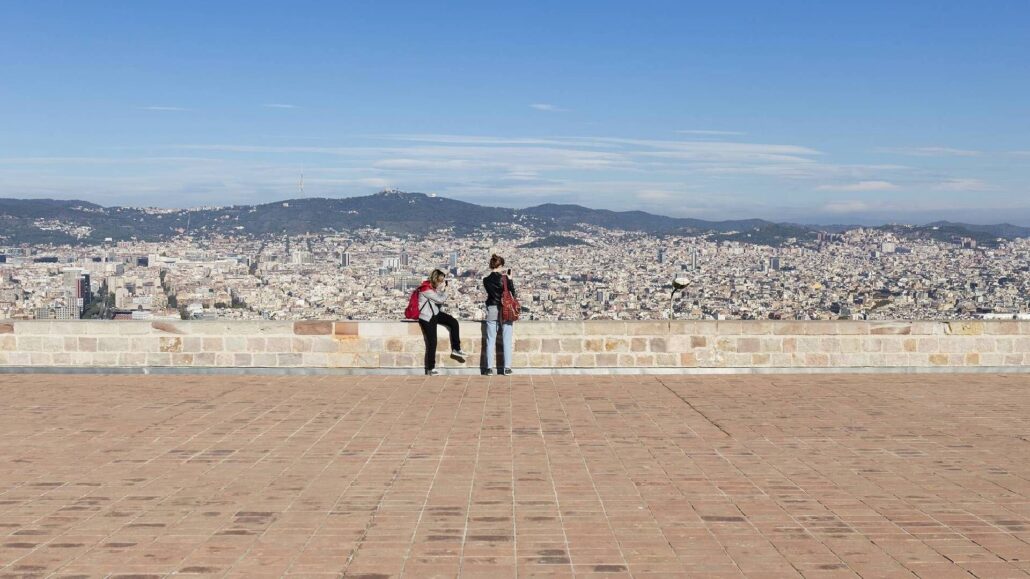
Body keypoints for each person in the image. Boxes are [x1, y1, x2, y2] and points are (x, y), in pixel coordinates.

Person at [417, 269, 467, 375]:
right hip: (427, 317)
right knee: (432, 342)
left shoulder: (432, 288)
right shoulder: (426, 289)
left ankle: (456, 348)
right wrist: (446, 290)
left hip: (435, 313)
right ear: (435, 279)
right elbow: (440, 300)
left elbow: (438, 299)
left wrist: (442, 290)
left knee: (453, 322)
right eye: (440, 280)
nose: (441, 282)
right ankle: (431, 368)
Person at [483, 254, 516, 375]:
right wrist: (510, 279)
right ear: (501, 265)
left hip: (492, 308)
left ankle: (489, 368)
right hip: (505, 310)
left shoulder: (485, 280)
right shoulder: (505, 279)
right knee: (507, 338)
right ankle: (507, 368)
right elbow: (512, 292)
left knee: (490, 340)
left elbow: (491, 294)